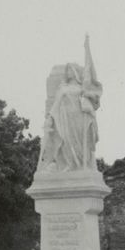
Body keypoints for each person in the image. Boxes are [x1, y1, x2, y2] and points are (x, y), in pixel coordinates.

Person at [40, 34, 101, 172]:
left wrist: (88, 96)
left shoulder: (82, 87)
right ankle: (68, 165)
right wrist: (50, 118)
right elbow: (56, 104)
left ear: (75, 72)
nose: (69, 73)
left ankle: (79, 165)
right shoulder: (63, 88)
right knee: (66, 142)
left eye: (70, 70)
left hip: (79, 117)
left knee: (79, 143)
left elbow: (93, 97)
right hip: (65, 119)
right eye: (67, 70)